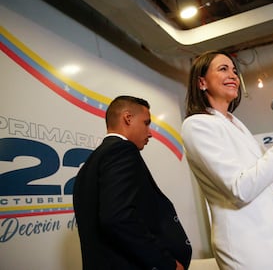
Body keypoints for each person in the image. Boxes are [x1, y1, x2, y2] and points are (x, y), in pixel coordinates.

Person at [181, 50, 273, 269]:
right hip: (245, 246)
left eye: (234, 70)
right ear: (202, 82)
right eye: (223, 69)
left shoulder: (236, 123)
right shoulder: (197, 125)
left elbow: (270, 181)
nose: (233, 75)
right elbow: (241, 189)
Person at [73, 96, 192, 269]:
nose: (150, 132)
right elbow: (118, 218)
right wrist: (167, 263)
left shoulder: (92, 163)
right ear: (128, 118)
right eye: (146, 123)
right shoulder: (121, 150)